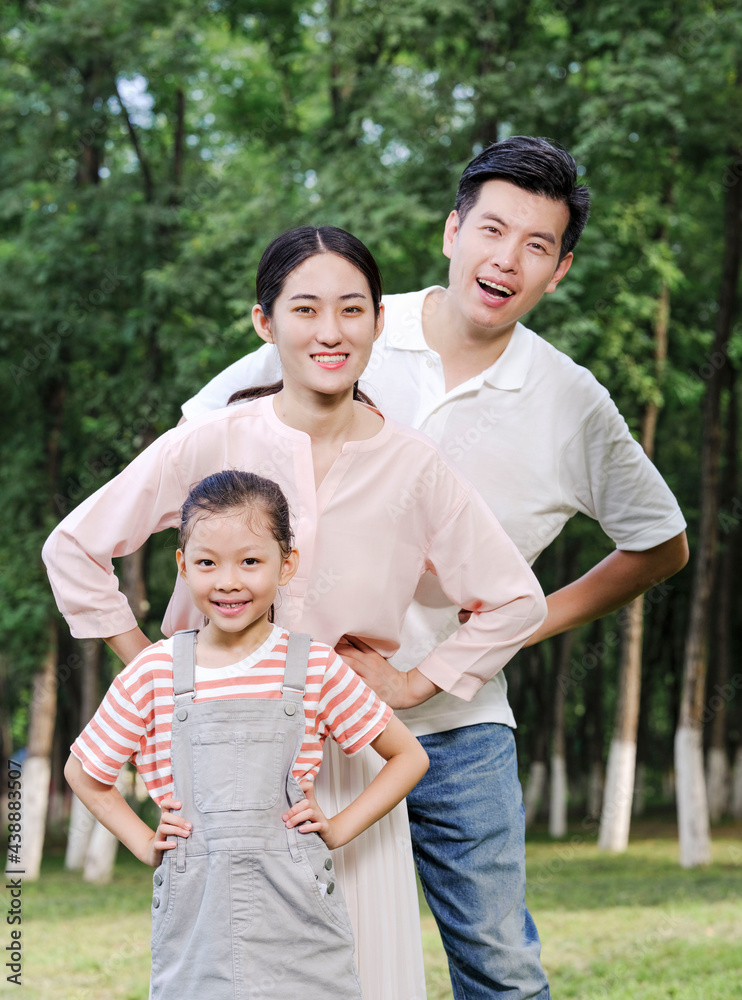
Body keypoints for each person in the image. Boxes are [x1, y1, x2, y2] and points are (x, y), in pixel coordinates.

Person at [181, 137, 689, 999]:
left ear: (558, 271)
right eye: (492, 229)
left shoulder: (572, 402)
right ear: (452, 231)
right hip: (295, 718)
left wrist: (474, 650)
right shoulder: (348, 321)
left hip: (461, 725)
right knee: (274, 954)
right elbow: (201, 440)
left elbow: (661, 542)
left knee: (500, 966)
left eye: (537, 246)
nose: (507, 259)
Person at [44, 224, 548, 1000]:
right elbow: (74, 548)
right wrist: (161, 671)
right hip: (218, 771)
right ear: (264, 322)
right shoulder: (207, 443)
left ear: (380, 321)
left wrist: (415, 685)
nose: (330, 331)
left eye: (352, 310)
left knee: (366, 972)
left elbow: (516, 599)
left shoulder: (415, 466)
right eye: (305, 308)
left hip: (345, 766)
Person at [64, 469, 429, 998]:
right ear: (182, 566)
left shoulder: (315, 668)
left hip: (297, 901)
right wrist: (143, 842)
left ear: (287, 564)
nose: (228, 581)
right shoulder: (154, 671)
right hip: (196, 904)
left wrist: (341, 827)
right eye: (207, 562)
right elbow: (83, 772)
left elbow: (408, 757)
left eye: (250, 561)